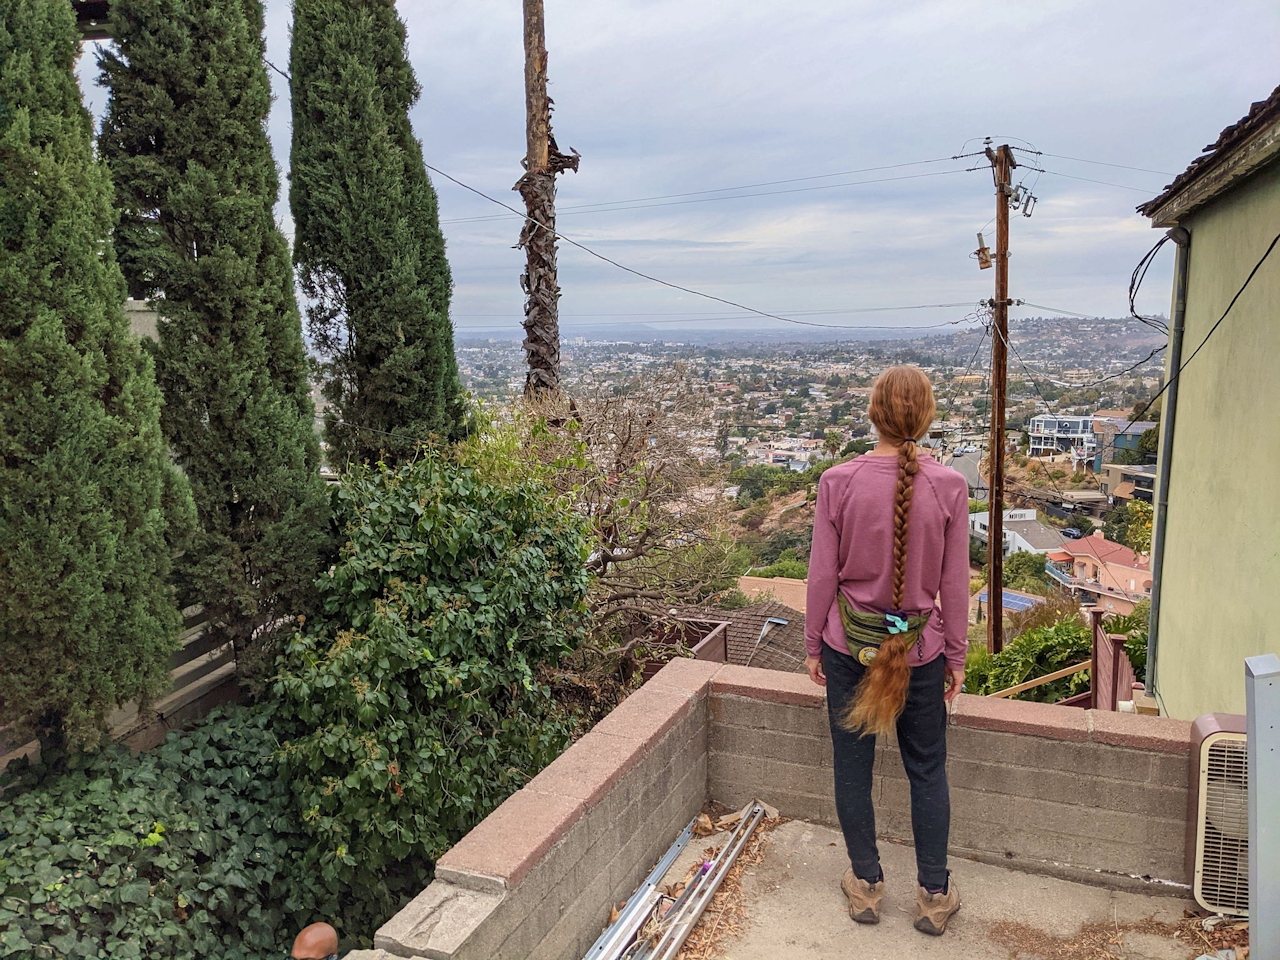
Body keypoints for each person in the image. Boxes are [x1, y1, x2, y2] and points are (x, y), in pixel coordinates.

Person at [803, 365, 968, 936]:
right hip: (919, 652)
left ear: (874, 413)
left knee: (853, 765)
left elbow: (822, 576)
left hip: (849, 646)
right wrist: (956, 657)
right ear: (925, 417)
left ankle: (867, 886)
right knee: (927, 771)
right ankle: (933, 895)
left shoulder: (837, 481)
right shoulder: (949, 485)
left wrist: (811, 645)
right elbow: (953, 585)